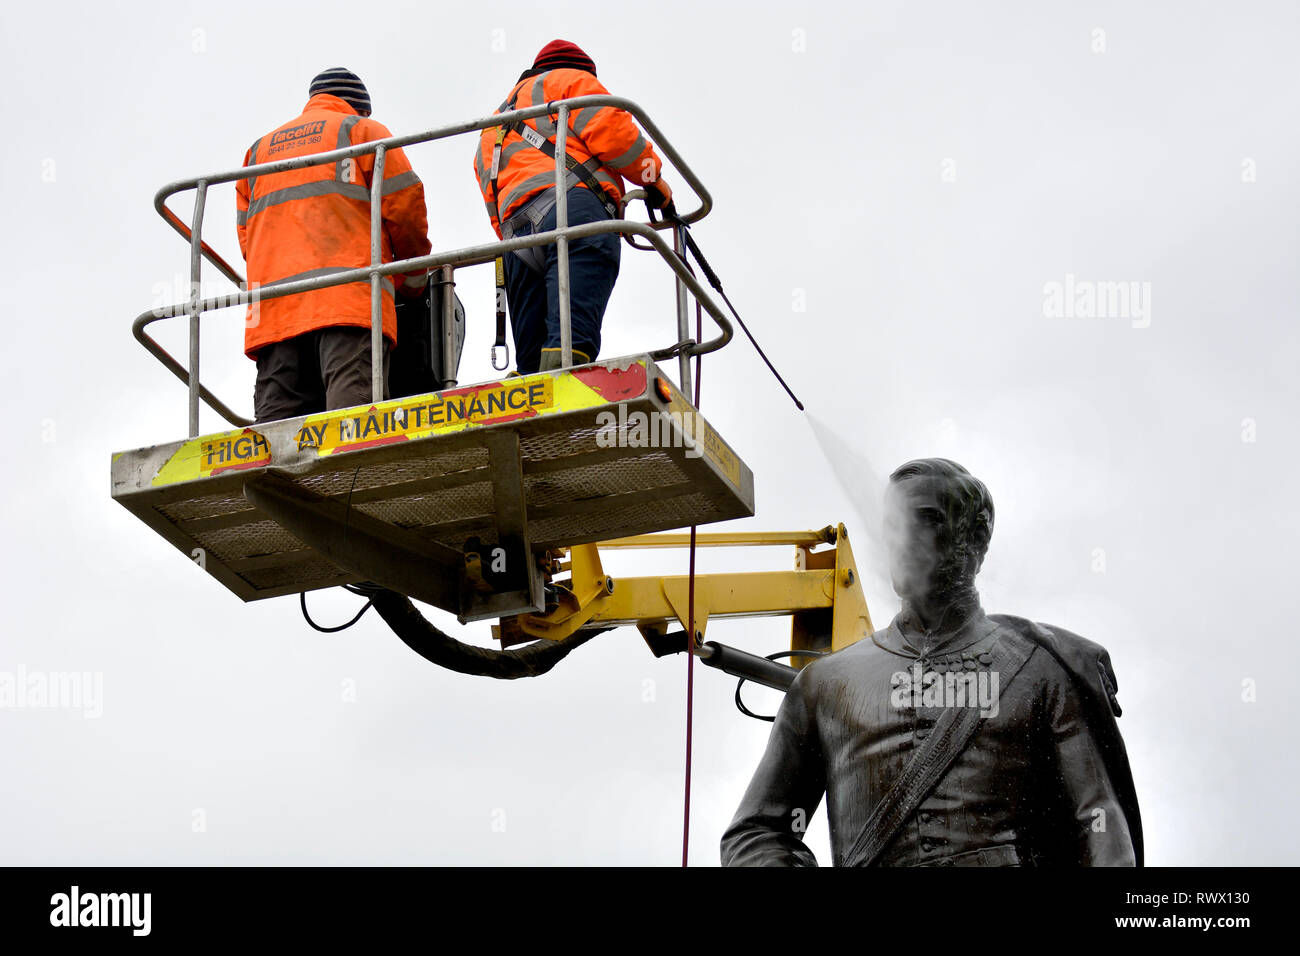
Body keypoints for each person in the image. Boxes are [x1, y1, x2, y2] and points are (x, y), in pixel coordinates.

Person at [721, 458, 1143, 867]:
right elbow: (757, 831)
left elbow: (1098, 823)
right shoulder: (824, 685)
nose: (901, 537)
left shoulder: (1042, 670)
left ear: (976, 537)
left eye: (926, 519)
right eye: (891, 523)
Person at [238, 68, 431, 423]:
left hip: (273, 311)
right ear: (359, 107)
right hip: (348, 302)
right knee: (352, 423)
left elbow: (247, 239)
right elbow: (404, 210)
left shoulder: (257, 152)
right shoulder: (363, 132)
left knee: (277, 436)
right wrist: (414, 276)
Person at [473, 40, 673, 374]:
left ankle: (536, 405)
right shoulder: (572, 81)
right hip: (573, 212)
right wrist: (653, 179)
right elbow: (616, 136)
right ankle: (566, 387)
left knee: (533, 364)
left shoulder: (491, 127)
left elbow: (493, 197)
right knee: (571, 345)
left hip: (516, 241)